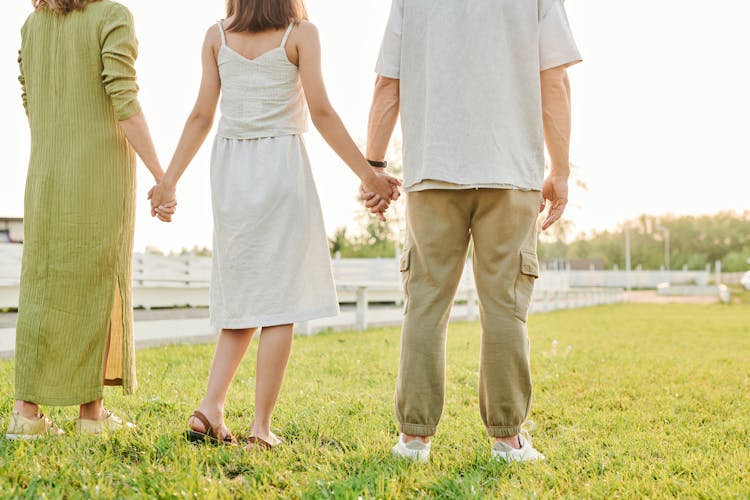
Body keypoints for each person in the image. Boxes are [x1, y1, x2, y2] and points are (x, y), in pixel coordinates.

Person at [148, 0, 400, 448]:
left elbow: (201, 116)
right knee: (280, 303)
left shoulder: (216, 35)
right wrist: (369, 174)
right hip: (281, 167)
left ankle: (210, 409)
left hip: (230, 174)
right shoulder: (301, 34)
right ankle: (260, 428)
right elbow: (322, 112)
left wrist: (168, 182)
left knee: (241, 292)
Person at [363, 0, 582, 462]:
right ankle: (507, 440)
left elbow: (388, 83)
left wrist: (374, 166)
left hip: (433, 169)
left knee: (425, 303)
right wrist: (560, 170)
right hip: (511, 172)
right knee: (504, 306)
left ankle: (414, 440)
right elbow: (554, 81)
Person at [6, 0, 175, 440]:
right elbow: (125, 101)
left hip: (45, 176)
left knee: (42, 283)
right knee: (97, 282)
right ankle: (91, 413)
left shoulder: (32, 25)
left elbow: (30, 99)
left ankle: (26, 412)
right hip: (99, 175)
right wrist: (162, 175)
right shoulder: (112, 16)